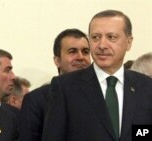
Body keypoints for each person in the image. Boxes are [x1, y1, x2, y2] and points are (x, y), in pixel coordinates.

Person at [42, 10, 152, 141]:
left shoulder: (146, 86)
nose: (102, 45)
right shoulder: (65, 88)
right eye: (95, 37)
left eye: (111, 37)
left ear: (128, 42)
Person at [18, 28, 91, 141]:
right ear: (57, 60)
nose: (81, 57)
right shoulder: (36, 100)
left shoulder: (102, 93)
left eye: (85, 52)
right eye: (72, 51)